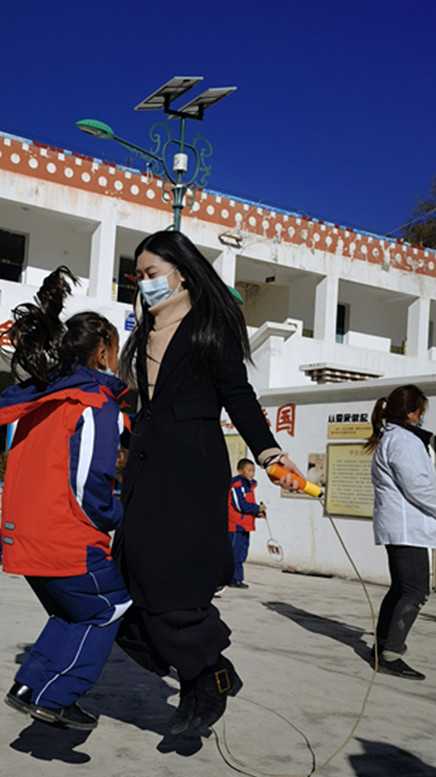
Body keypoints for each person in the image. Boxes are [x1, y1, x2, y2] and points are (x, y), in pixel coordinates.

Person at [114, 229, 308, 735]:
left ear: (181, 273)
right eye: (139, 275)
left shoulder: (209, 326)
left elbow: (238, 396)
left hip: (191, 468)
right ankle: (211, 667)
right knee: (132, 575)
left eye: (153, 273)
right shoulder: (144, 331)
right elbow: (143, 404)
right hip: (146, 467)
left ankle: (202, 682)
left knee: (173, 582)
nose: (145, 282)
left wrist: (269, 455)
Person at [0, 267, 131, 731]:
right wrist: (114, 516)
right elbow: (89, 482)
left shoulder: (43, 399)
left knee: (69, 610)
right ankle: (56, 695)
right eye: (116, 350)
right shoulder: (94, 403)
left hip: (25, 534)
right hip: (66, 535)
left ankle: (29, 685)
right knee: (108, 606)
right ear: (102, 353)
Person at [364, 384, 436, 680]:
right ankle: (391, 655)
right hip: (406, 528)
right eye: (421, 411)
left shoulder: (394, 438)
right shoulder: (403, 441)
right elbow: (419, 486)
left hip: (402, 526)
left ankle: (382, 647)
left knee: (401, 588)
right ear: (411, 413)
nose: (422, 417)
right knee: (415, 591)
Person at [228, 458, 266, 589]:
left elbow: (248, 505)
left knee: (242, 553)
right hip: (236, 525)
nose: (251, 473)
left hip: (246, 525)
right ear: (240, 471)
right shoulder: (237, 485)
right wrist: (256, 508)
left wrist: (257, 514)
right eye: (249, 470)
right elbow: (240, 505)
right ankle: (230, 578)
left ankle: (237, 578)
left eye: (253, 471)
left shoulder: (249, 486)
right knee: (234, 552)